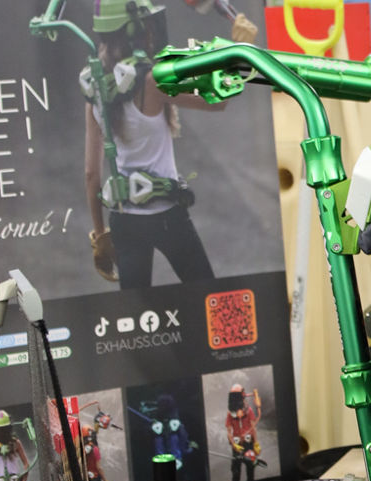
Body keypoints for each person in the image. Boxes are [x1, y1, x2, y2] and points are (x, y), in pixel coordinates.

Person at [84, 0, 257, 289]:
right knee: (209, 301)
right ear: (137, 29)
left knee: (135, 316)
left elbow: (91, 174)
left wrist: (101, 235)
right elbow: (218, 102)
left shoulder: (94, 88)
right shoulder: (152, 81)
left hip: (124, 221)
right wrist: (240, 54)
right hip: (168, 218)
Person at [225, 383, 260, 481]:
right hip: (237, 446)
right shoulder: (230, 414)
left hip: (248, 444)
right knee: (236, 471)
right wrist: (233, 444)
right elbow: (228, 431)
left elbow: (253, 427)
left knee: (250, 468)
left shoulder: (248, 411)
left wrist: (256, 443)